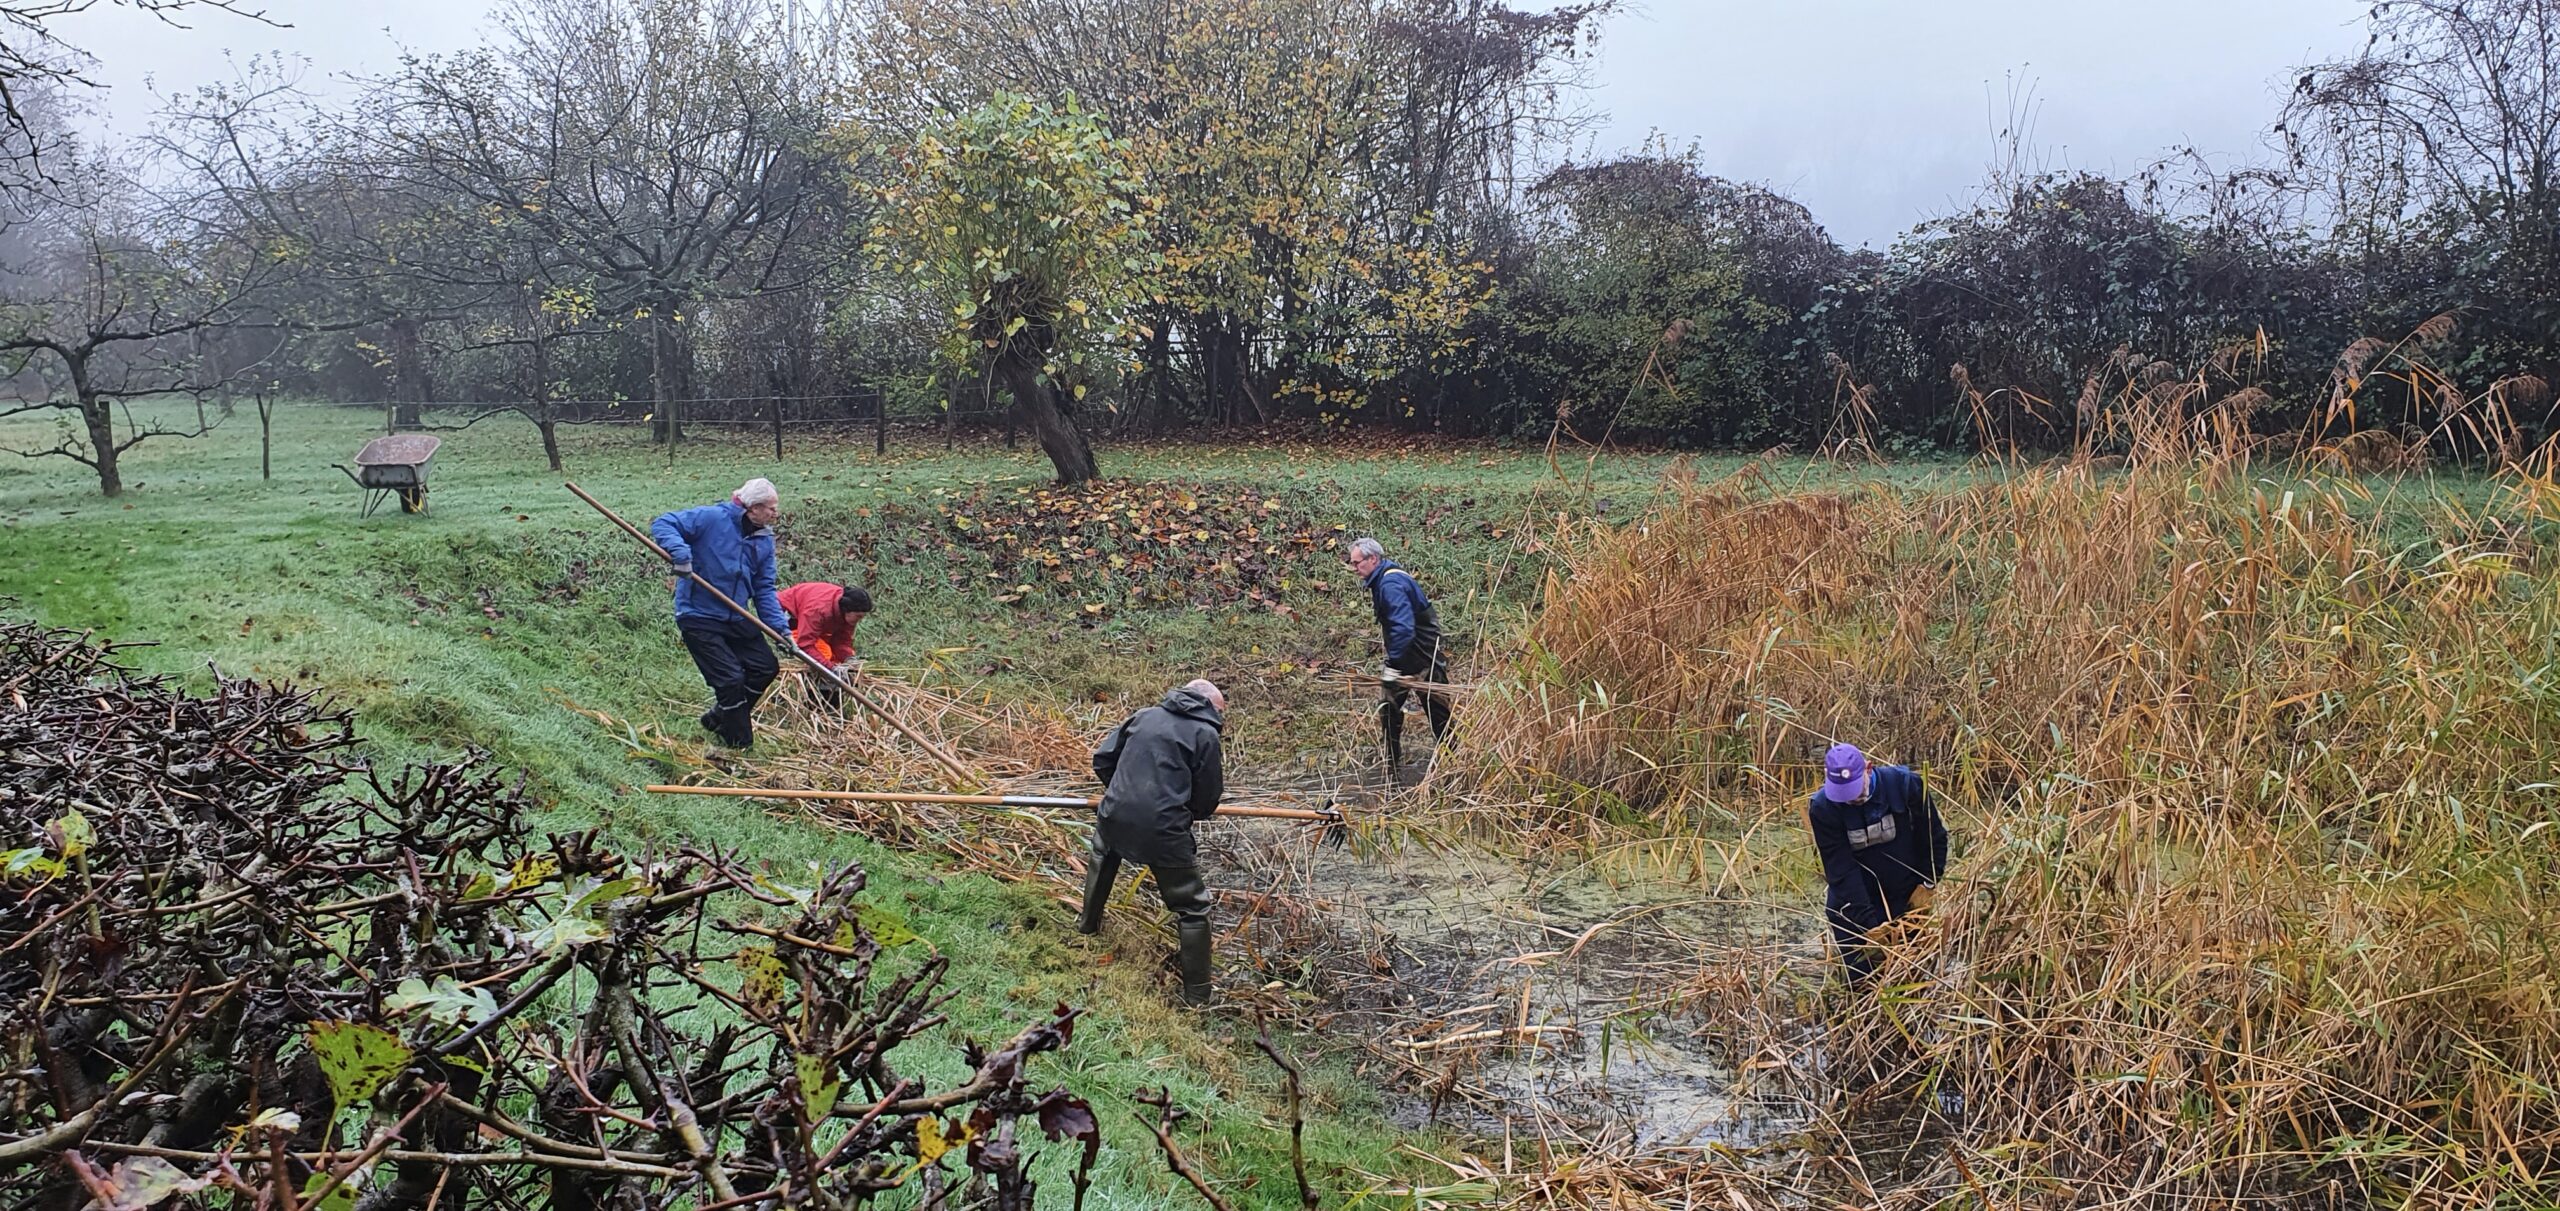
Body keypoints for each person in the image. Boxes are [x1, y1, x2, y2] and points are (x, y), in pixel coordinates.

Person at [1077, 678, 1227, 1005]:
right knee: (1193, 906)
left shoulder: (1144, 715)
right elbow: (1207, 800)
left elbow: (1103, 760)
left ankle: (1086, 928)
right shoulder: (1206, 735)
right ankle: (1198, 998)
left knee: (1104, 855)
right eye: (1221, 714)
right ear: (1211, 708)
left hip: (1115, 812)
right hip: (1164, 830)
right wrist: (1182, 810)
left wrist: (1124, 792)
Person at [651, 478, 789, 750]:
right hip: (699, 615)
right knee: (730, 681)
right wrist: (680, 554)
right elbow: (664, 523)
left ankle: (719, 717)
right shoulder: (712, 518)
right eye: (771, 508)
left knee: (765, 667)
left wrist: (780, 630)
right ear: (753, 508)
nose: (776, 513)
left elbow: (763, 588)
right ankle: (739, 744)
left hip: (736, 616)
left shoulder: (763, 539)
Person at [1806, 743, 1948, 981]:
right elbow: (1840, 870)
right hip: (1853, 907)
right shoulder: (1823, 809)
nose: (1850, 800)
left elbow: (1934, 837)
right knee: (1863, 984)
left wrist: (1928, 884)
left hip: (1907, 897)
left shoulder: (1906, 786)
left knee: (1911, 980)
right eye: (1843, 795)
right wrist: (1871, 927)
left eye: (1855, 791)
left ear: (1868, 769)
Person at [1345, 537, 1451, 769]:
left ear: (1373, 559)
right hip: (1408, 655)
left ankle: (1455, 763)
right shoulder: (1386, 578)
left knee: (1438, 716)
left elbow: (1403, 628)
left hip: (1423, 659)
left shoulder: (1391, 585)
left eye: (1357, 563)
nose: (1354, 568)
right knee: (1389, 709)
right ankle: (1392, 763)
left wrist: (1392, 666)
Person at [778, 581, 871, 707]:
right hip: (789, 620)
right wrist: (831, 669)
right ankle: (817, 701)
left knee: (838, 661)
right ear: (847, 610)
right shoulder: (818, 610)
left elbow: (842, 642)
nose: (859, 620)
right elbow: (805, 644)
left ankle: (830, 698)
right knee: (823, 654)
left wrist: (849, 660)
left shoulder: (846, 613)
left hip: (813, 624)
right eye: (858, 616)